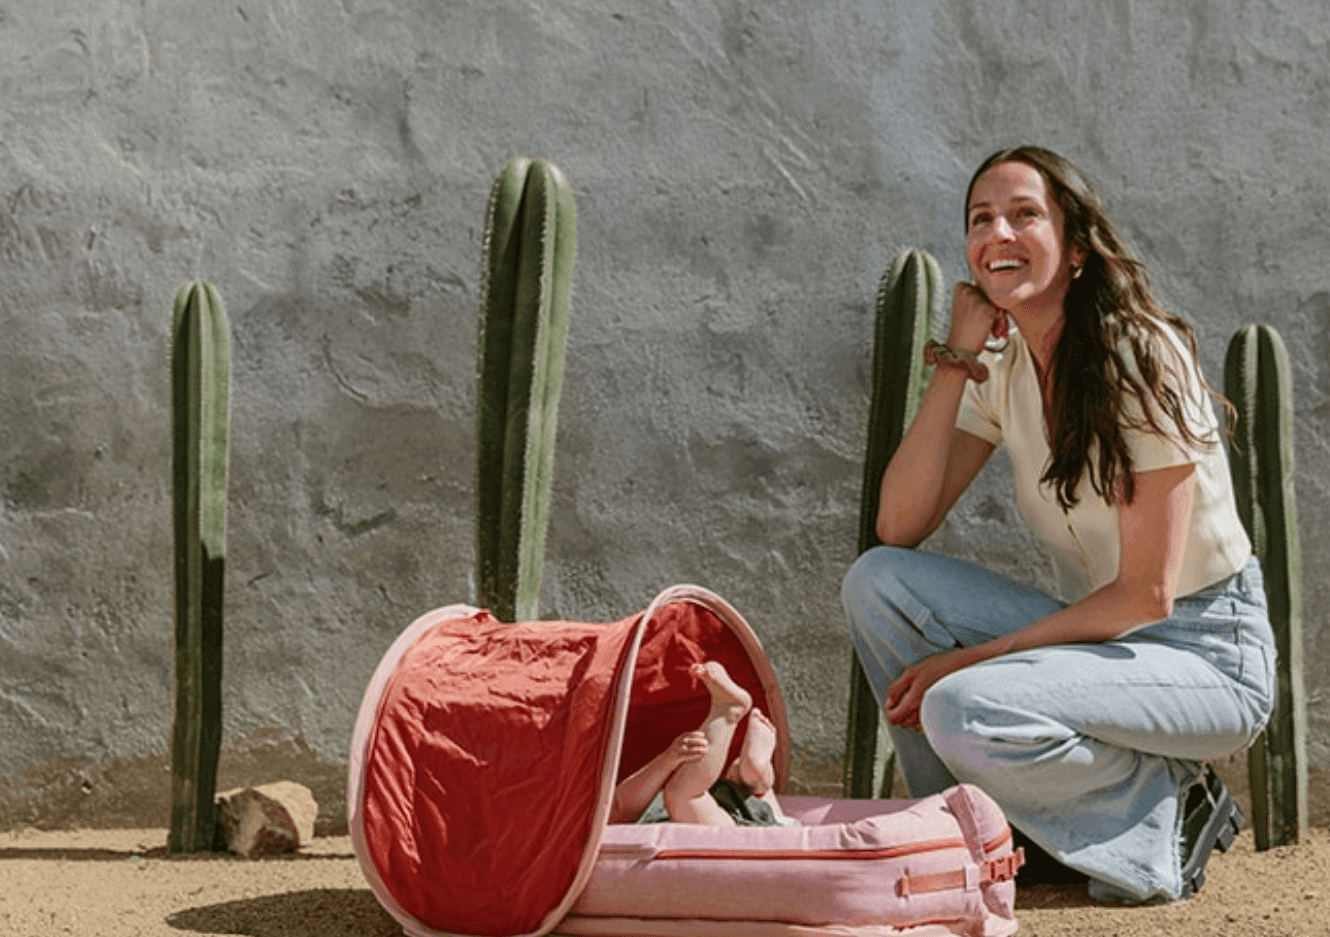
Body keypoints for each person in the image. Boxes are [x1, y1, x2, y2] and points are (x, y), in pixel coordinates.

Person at [841, 145, 1274, 904]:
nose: (998, 233)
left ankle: (1166, 819)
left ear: (1075, 248)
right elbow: (899, 523)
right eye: (981, 219)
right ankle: (975, 837)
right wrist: (958, 357)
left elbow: (1145, 594)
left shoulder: (1140, 354)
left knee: (961, 702)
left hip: (1205, 652)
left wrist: (973, 660)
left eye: (1024, 214)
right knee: (877, 584)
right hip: (1099, 643)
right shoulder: (1004, 369)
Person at [610, 661, 793, 827]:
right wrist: (668, 759)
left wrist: (668, 760)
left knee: (681, 795)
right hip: (740, 816)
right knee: (745, 788)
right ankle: (755, 772)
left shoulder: (618, 816)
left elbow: (620, 806)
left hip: (728, 819)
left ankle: (729, 717)